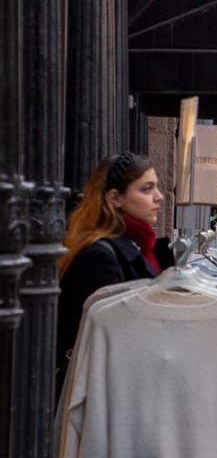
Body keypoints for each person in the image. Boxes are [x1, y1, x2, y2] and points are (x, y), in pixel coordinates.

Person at [57, 153, 163, 387]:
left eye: (156, 187)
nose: (159, 197)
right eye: (147, 189)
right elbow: (109, 342)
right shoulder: (99, 257)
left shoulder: (137, 246)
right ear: (115, 197)